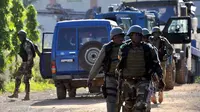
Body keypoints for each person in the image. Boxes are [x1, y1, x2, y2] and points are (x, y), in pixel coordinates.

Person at [116, 25, 165, 112]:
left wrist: (160, 80)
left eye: (139, 35)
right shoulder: (124, 48)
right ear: (131, 36)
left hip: (143, 80)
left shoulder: (148, 48)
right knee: (128, 106)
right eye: (135, 35)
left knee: (141, 105)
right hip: (128, 81)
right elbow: (120, 63)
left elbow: (156, 64)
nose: (137, 37)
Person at [87, 27, 125, 112]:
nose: (121, 39)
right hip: (110, 78)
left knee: (125, 101)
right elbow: (98, 64)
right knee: (111, 101)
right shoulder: (107, 48)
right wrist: (90, 78)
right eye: (118, 36)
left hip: (124, 79)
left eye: (122, 36)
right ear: (113, 38)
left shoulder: (126, 47)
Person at [8, 30, 41, 100]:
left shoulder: (26, 43)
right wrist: (39, 54)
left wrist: (28, 65)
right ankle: (17, 93)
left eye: (20, 36)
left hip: (27, 63)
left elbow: (30, 54)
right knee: (19, 77)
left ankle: (26, 95)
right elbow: (35, 47)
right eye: (19, 36)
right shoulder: (28, 42)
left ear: (23, 36)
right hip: (26, 62)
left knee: (25, 79)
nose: (19, 38)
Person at [149, 26, 173, 104]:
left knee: (161, 77)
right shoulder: (150, 40)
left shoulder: (163, 40)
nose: (156, 35)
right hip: (152, 61)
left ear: (159, 33)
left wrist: (167, 55)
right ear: (153, 33)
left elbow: (170, 48)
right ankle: (153, 94)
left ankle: (161, 92)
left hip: (161, 61)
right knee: (151, 77)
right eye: (155, 33)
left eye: (157, 33)